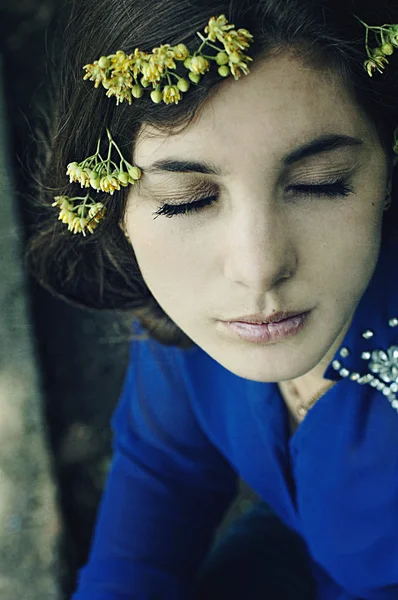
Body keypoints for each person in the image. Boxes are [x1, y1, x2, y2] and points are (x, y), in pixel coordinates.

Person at [25, 0, 398, 597]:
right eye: (186, 200)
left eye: (318, 183)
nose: (257, 270)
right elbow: (162, 480)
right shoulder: (177, 327)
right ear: (113, 208)